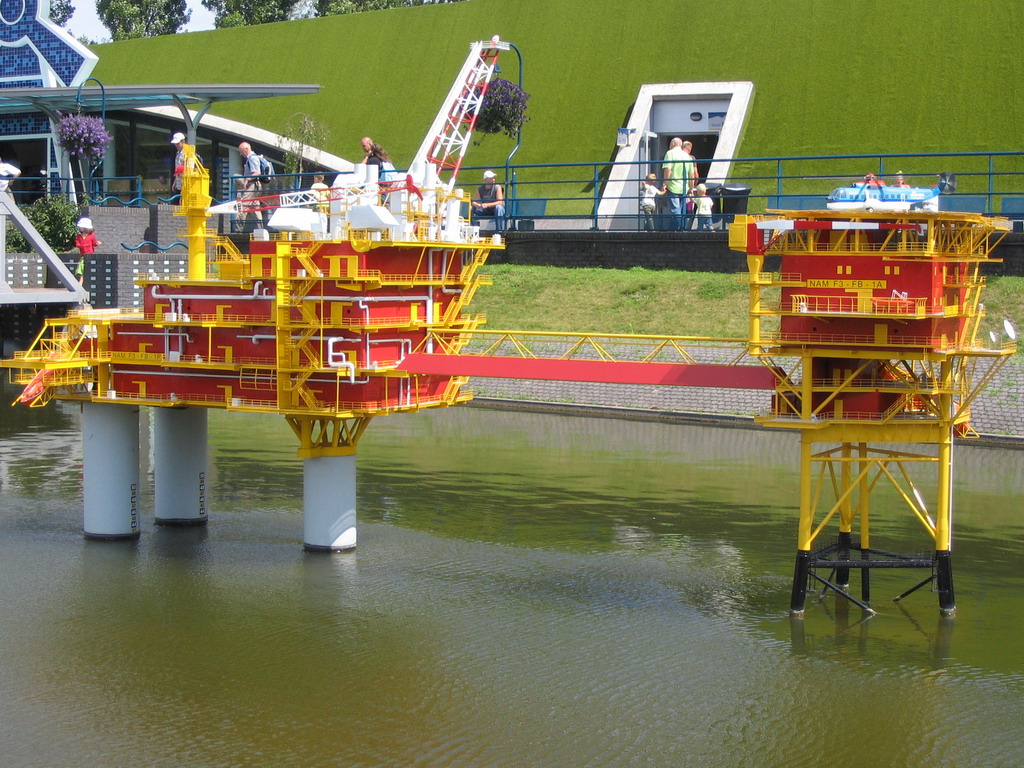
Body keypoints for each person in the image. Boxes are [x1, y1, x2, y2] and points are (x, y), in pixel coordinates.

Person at [662, 138, 697, 231]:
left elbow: (668, 169)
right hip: (684, 186)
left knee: (675, 209)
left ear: (673, 143)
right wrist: (691, 188)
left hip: (673, 185)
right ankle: (682, 227)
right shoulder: (687, 156)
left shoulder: (670, 153)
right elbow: (691, 174)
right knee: (682, 209)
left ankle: (679, 227)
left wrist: (665, 184)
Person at [238, 141, 263, 226]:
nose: (241, 154)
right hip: (255, 186)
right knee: (255, 209)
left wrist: (247, 179)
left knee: (243, 206)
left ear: (246, 149)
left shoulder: (252, 158)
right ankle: (261, 229)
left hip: (253, 186)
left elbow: (257, 172)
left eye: (241, 151)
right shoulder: (251, 158)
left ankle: (237, 230)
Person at [74, 217, 101, 286]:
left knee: (84, 268)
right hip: (83, 255)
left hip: (90, 254)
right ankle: (81, 281)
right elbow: (77, 244)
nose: (81, 229)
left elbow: (94, 244)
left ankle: (81, 281)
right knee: (81, 268)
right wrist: (84, 245)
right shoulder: (79, 236)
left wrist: (97, 243)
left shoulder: (92, 236)